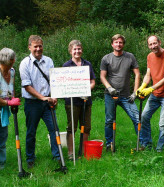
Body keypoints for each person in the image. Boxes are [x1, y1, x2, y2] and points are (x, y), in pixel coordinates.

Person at [19, 35, 60, 168]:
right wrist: (42, 97)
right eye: (35, 46)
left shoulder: (49, 61)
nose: (38, 49)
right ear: (29, 47)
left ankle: (57, 156)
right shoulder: (24, 63)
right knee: (31, 131)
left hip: (48, 102)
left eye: (40, 46)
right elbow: (27, 86)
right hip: (32, 104)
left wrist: (54, 97)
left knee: (54, 129)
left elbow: (53, 81)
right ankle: (30, 158)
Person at [136, 35, 164, 152]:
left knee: (162, 124)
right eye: (150, 44)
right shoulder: (150, 56)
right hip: (155, 95)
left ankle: (160, 149)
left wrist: (150, 89)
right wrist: (143, 86)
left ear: (159, 42)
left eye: (155, 43)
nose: (153, 46)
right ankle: (147, 145)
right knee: (144, 117)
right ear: (148, 46)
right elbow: (148, 74)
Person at [100, 34, 140, 150]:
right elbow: (102, 76)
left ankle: (143, 143)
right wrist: (109, 88)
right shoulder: (106, 58)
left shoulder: (130, 57)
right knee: (109, 120)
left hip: (127, 96)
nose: (118, 44)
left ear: (123, 44)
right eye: (116, 42)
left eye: (121, 42)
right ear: (112, 44)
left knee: (137, 118)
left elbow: (137, 74)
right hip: (110, 95)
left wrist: (135, 92)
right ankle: (109, 144)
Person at [63, 40, 96, 160]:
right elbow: (63, 84)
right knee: (72, 127)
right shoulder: (66, 66)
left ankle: (83, 152)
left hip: (86, 100)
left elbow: (92, 81)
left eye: (79, 49)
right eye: (75, 49)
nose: (77, 51)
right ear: (70, 51)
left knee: (86, 126)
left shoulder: (87, 64)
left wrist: (86, 89)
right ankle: (71, 153)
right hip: (72, 102)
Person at [0, 48, 21, 170]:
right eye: (11, 60)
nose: (12, 62)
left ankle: (1, 166)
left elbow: (10, 89)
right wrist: (8, 103)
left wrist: (12, 99)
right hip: (3, 105)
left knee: (2, 137)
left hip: (4, 110)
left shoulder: (12, 72)